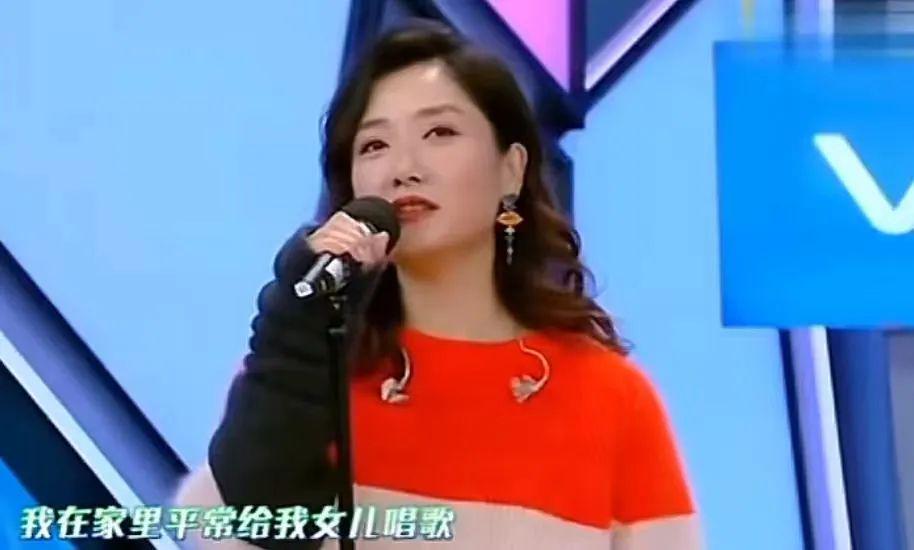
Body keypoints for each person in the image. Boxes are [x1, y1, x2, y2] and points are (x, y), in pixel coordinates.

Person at [175, 19, 702, 549]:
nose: (403, 168)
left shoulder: (613, 400)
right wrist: (297, 327)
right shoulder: (300, 371)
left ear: (511, 170)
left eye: (440, 133)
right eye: (374, 145)